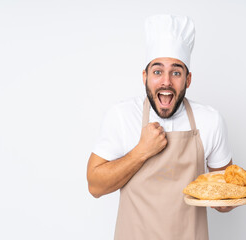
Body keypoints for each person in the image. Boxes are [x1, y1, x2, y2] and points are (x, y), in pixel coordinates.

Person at [87, 14, 236, 240]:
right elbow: (95, 186)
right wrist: (141, 151)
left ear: (188, 80)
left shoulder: (209, 120)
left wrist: (229, 200)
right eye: (157, 71)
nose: (166, 81)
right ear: (145, 77)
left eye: (176, 72)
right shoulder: (122, 116)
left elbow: (225, 198)